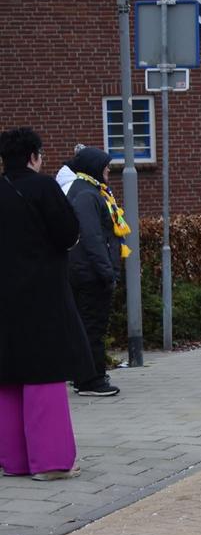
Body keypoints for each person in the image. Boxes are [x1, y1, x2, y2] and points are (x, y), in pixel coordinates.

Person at [0, 127, 93, 480]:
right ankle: (50, 462)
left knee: (7, 376)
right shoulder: (43, 188)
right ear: (33, 156)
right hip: (41, 295)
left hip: (3, 298)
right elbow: (69, 234)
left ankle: (14, 461)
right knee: (45, 374)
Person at [66, 147, 129, 397]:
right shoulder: (86, 195)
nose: (108, 170)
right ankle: (91, 380)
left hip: (87, 271)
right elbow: (92, 237)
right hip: (90, 274)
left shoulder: (88, 191)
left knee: (87, 325)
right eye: (105, 166)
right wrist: (107, 272)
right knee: (93, 326)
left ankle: (84, 375)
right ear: (94, 167)